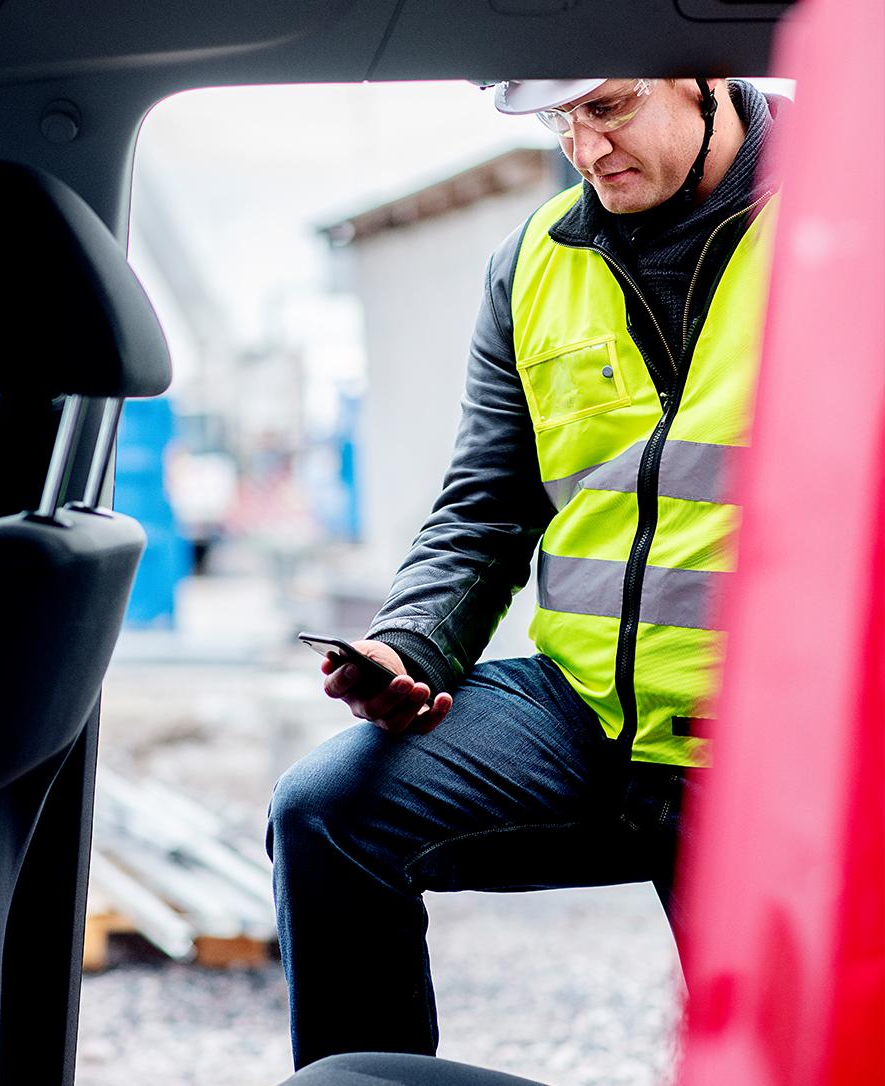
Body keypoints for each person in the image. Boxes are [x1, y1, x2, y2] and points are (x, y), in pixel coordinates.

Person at [269, 75, 785, 1071]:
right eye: (558, 121)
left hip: (773, 737)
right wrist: (406, 643)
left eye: (607, 108)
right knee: (326, 810)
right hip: (585, 710)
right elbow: (488, 502)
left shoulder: (846, 223)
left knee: (771, 1055)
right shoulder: (535, 262)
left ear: (698, 80)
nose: (582, 147)